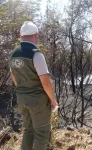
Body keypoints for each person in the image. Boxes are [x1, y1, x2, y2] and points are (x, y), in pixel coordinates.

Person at [9, 21, 58, 150]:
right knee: (41, 134)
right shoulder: (36, 54)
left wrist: (23, 91)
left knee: (28, 131)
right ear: (36, 35)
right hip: (37, 101)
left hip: (22, 99)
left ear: (21, 36)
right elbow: (45, 81)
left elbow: (14, 77)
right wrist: (52, 100)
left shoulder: (12, 54)